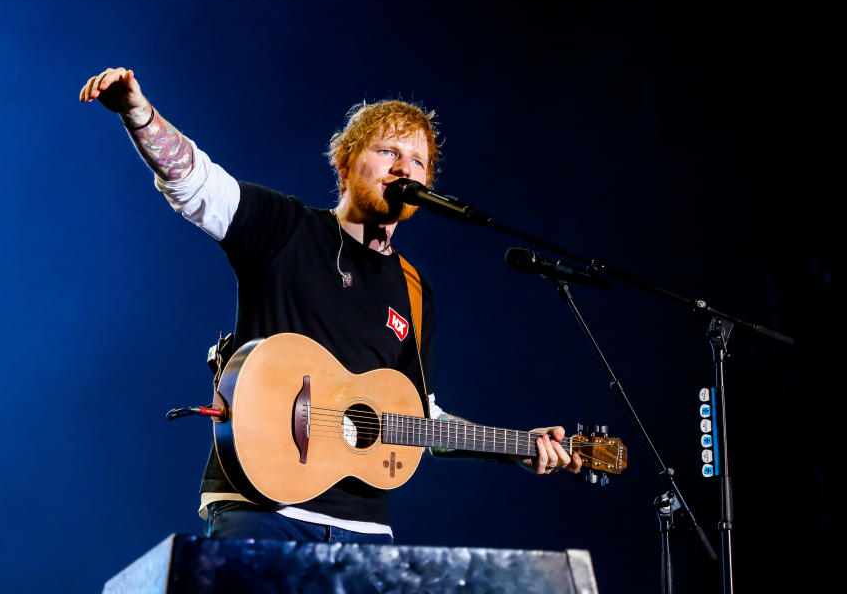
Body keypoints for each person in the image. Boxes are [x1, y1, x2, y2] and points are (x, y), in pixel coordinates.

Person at [79, 67, 583, 544]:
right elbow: (196, 183)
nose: (404, 168)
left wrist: (516, 446)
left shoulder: (413, 290)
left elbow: (422, 417)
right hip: (263, 508)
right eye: (388, 152)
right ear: (345, 163)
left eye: (418, 162)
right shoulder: (286, 229)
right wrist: (139, 114)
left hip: (365, 529)